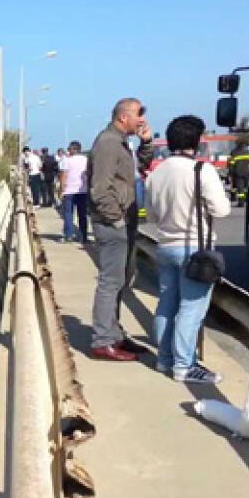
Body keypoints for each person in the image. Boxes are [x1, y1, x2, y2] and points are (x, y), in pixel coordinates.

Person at [145, 115, 231, 383]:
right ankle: (184, 365)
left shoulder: (155, 173)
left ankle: (164, 359)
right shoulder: (201, 170)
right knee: (191, 309)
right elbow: (222, 209)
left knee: (166, 304)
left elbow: (152, 216)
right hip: (194, 248)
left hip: (165, 245)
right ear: (197, 141)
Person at [87, 98, 154, 361]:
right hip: (112, 223)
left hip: (123, 220)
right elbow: (100, 188)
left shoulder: (121, 143)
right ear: (123, 117)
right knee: (110, 281)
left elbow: (143, 167)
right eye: (139, 115)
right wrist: (115, 218)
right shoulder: (107, 143)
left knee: (122, 279)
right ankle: (103, 340)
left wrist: (146, 143)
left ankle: (114, 333)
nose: (142, 120)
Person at [60, 141, 89, 243]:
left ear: (75, 149)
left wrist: (62, 189)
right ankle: (84, 236)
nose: (68, 150)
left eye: (70, 149)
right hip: (83, 190)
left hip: (69, 191)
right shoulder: (86, 160)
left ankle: (68, 235)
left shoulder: (67, 160)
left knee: (68, 213)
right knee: (82, 214)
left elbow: (64, 175)